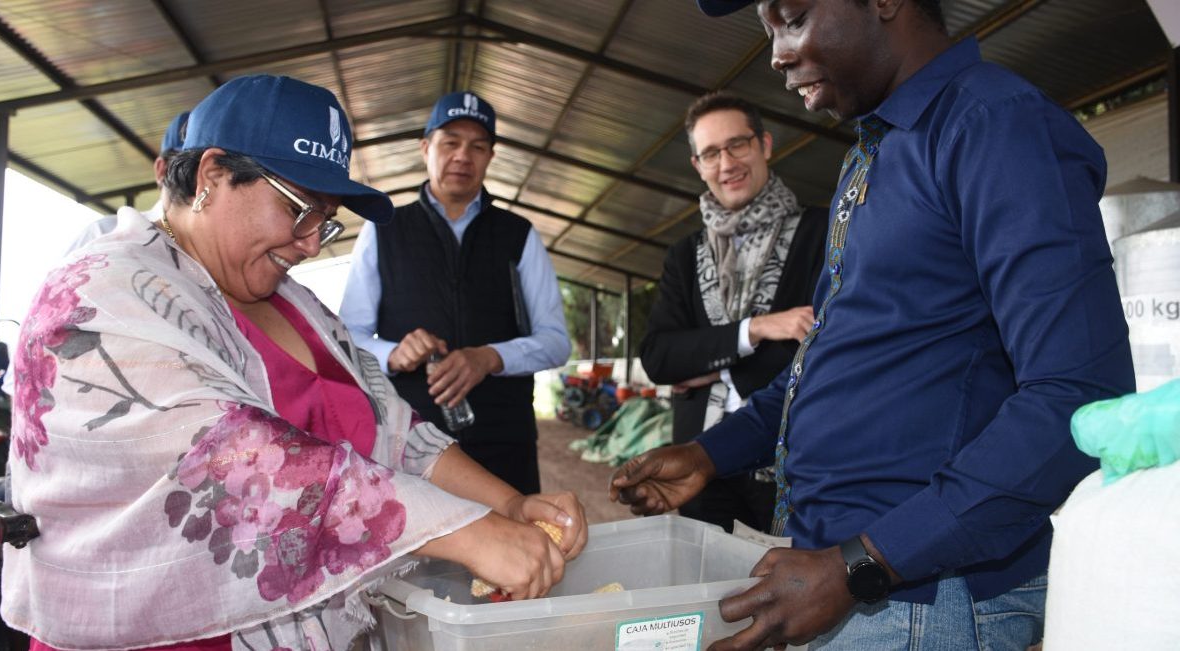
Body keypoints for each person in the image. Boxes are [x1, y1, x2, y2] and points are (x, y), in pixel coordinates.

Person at [610, 1, 1135, 649]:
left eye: (792, 15)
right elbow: (825, 362)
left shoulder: (995, 126)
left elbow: (1078, 396)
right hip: (857, 580)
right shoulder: (874, 153)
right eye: (768, 29)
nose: (775, 53)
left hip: (921, 594)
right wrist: (710, 452)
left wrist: (864, 561)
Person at [1, 74, 587, 651]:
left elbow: (394, 429)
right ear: (212, 176)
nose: (312, 243)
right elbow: (231, 462)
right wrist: (464, 530)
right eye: (299, 208)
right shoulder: (98, 297)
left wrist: (507, 503)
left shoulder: (293, 301)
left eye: (325, 219)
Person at [341, 91, 570, 496]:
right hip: (412, 441)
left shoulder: (517, 234)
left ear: (490, 157)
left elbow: (555, 342)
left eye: (478, 146)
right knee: (418, 555)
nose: (463, 156)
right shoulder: (385, 229)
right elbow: (347, 335)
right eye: (450, 142)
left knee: (513, 546)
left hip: (504, 441)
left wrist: (490, 357)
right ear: (426, 148)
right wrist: (392, 354)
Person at [637, 91, 826, 533]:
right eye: (710, 153)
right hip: (700, 469)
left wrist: (711, 362)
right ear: (697, 166)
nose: (726, 164)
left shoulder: (821, 232)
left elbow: (824, 344)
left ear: (765, 144)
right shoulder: (684, 255)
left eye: (737, 145)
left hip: (794, 462)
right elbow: (659, 358)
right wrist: (757, 330)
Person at [65, 109, 190, 252]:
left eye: (219, 168)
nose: (205, 180)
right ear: (161, 170)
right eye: (189, 166)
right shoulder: (103, 234)